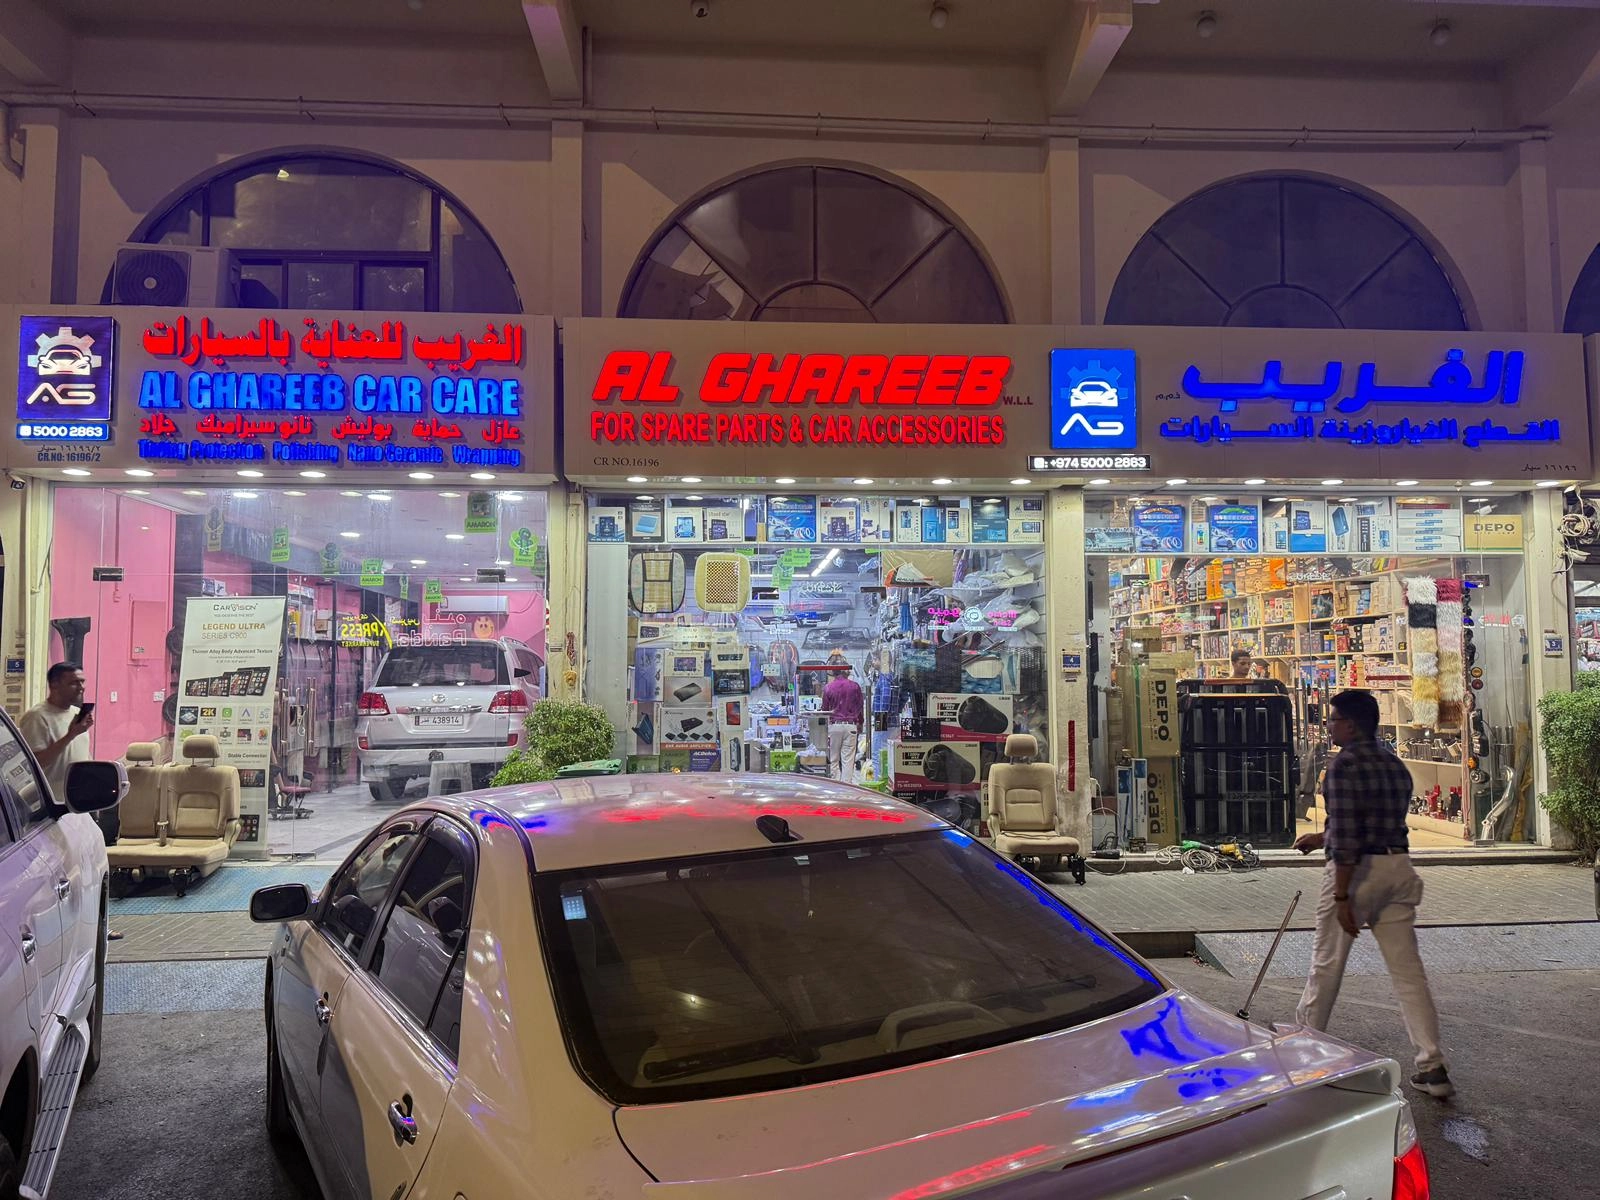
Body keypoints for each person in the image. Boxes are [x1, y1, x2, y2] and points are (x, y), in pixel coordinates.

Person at [1294, 688, 1451, 1098]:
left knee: (1326, 965)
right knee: (1408, 973)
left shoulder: (1343, 765)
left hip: (1358, 872)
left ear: (1349, 725)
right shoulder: (1394, 764)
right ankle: (1432, 1065)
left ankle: (1303, 1054)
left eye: (1332, 720)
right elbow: (1372, 820)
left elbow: (1348, 837)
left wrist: (1342, 896)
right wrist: (1321, 836)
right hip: (1398, 868)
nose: (1329, 727)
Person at [21, 662, 122, 939]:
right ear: (54, 685)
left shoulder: (77, 717)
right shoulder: (37, 718)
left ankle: (96, 925)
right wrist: (70, 735)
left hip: (79, 805)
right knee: (68, 872)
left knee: (93, 867)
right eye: (74, 682)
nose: (81, 687)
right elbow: (36, 762)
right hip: (52, 809)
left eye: (83, 682)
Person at [820, 662, 864, 783]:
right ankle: (847, 787)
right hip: (851, 726)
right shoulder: (855, 686)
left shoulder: (828, 687)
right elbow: (860, 707)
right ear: (845, 671)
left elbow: (824, 710)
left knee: (833, 759)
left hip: (834, 727)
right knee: (848, 760)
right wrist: (860, 723)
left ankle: (834, 785)